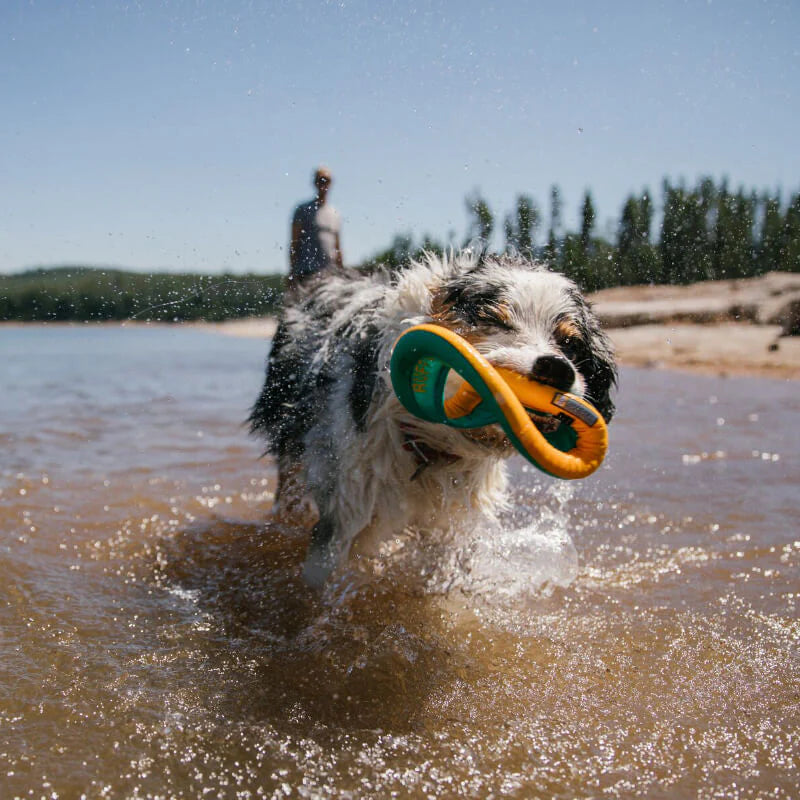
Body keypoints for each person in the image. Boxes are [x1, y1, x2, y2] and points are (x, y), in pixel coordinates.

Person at [288, 166, 343, 285]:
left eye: (326, 180)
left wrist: (342, 273)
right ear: (315, 183)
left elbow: (337, 247)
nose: (323, 183)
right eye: (320, 180)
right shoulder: (303, 210)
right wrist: (292, 272)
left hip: (330, 275)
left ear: (331, 183)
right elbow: (294, 243)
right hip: (306, 273)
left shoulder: (335, 213)